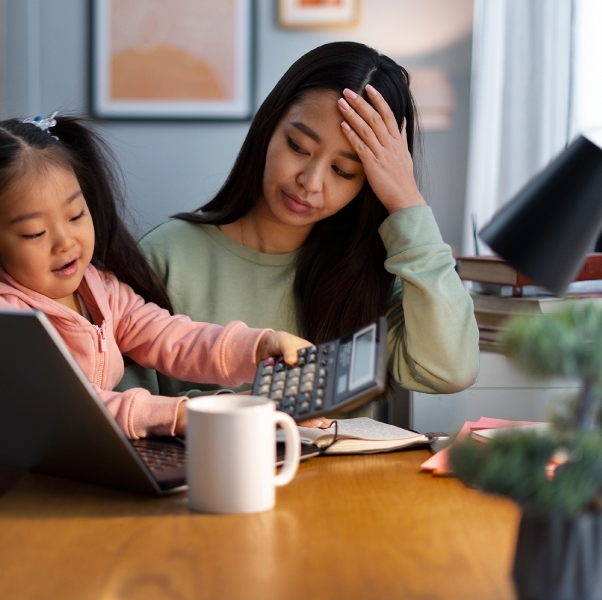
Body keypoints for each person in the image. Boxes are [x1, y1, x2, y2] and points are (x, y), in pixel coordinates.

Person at [0, 115, 309, 600]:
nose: (66, 242)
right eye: (34, 233)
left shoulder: (96, 285)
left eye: (76, 215)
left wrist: (256, 346)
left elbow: (167, 335)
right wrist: (174, 414)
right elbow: (68, 413)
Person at [122, 41, 480, 412]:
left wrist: (407, 199)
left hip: (348, 473)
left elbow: (451, 370)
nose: (310, 182)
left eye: (343, 171)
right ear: (269, 126)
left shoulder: (370, 275)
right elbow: (125, 415)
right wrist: (262, 406)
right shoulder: (165, 256)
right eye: (298, 146)